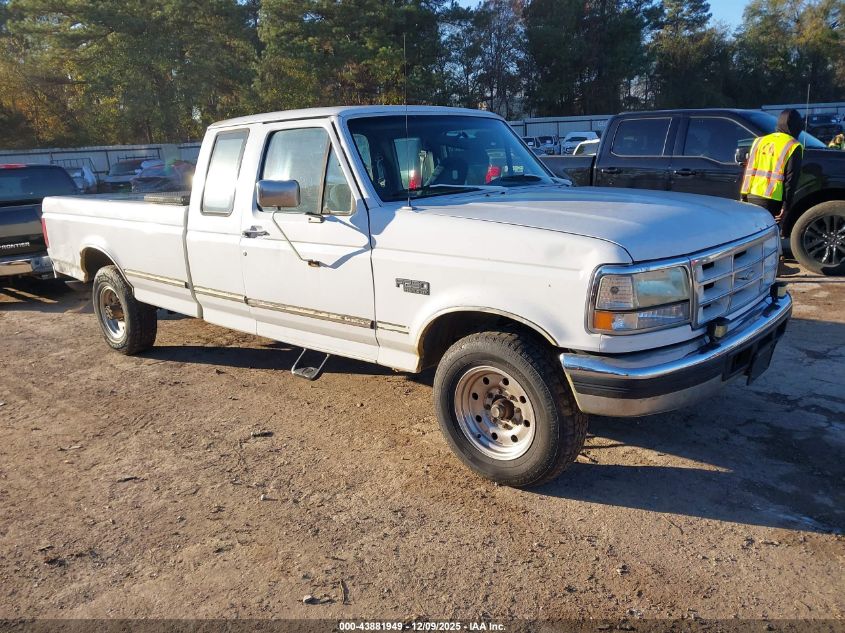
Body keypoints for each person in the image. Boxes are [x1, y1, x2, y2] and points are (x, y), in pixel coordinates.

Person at [740, 108, 804, 222]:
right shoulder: (793, 145)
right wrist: (786, 206)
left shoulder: (759, 141)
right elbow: (791, 179)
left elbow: (749, 169)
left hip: (750, 195)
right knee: (769, 235)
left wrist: (743, 195)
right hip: (771, 199)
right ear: (797, 126)